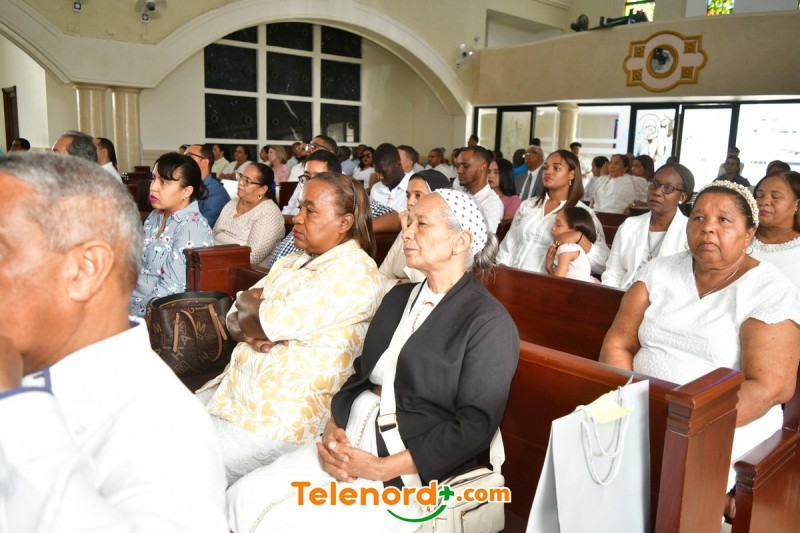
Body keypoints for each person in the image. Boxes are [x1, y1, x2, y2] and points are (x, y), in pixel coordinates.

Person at [226, 189, 519, 532]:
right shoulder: (398, 298)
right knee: (243, 496)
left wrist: (381, 468)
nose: (406, 233)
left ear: (460, 241)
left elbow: (474, 427)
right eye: (408, 222)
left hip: (410, 471)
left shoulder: (487, 322)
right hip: (353, 440)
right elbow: (360, 375)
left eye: (421, 224)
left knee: (286, 523)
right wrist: (333, 430)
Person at [0, 152, 227, 532]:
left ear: (85, 269)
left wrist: (14, 405)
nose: (155, 187)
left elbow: (170, 287)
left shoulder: (164, 428)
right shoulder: (154, 218)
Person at [599, 180, 800, 496]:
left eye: (724, 220)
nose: (708, 228)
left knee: (671, 482)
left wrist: (684, 424)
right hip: (638, 405)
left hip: (725, 420)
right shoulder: (658, 272)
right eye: (699, 218)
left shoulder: (769, 290)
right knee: (593, 451)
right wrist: (627, 404)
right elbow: (618, 344)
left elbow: (770, 386)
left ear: (749, 233)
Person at [196, 172, 383, 485]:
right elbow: (232, 317)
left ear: (344, 222)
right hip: (235, 393)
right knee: (154, 430)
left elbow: (267, 321)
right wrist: (251, 317)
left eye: (311, 210)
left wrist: (253, 311)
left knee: (182, 464)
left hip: (279, 417)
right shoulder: (293, 261)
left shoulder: (355, 271)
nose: (297, 217)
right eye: (300, 207)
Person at [267, 150, 397, 268]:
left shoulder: (349, 206)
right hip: (277, 269)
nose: (310, 182)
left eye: (319, 177)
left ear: (336, 179)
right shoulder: (305, 202)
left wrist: (353, 229)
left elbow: (395, 218)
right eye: (307, 176)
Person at [497, 150, 609, 274]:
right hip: (510, 276)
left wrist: (579, 238)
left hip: (547, 282)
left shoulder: (582, 213)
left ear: (571, 175)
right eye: (545, 167)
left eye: (556, 168)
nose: (548, 171)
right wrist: (502, 268)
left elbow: (603, 265)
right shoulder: (528, 205)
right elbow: (509, 243)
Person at [128, 152, 213, 317]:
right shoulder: (156, 215)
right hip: (128, 298)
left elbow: (170, 292)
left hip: (154, 314)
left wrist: (128, 316)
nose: (153, 187)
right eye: (154, 178)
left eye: (163, 182)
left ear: (186, 191)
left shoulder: (192, 228)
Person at [601, 163, 693, 290]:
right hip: (622, 295)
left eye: (667, 188)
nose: (657, 192)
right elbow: (613, 273)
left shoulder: (691, 232)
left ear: (682, 197)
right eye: (654, 184)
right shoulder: (629, 225)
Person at [378, 169, 451, 290]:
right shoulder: (405, 230)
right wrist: (400, 284)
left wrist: (394, 285)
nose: (410, 202)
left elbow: (425, 286)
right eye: (408, 195)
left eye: (418, 195)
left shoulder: (442, 236)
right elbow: (381, 277)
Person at [213, 162, 285, 264]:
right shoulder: (233, 203)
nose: (240, 182)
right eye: (240, 176)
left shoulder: (269, 212)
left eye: (247, 180)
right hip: (212, 259)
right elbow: (214, 234)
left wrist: (214, 261)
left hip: (241, 268)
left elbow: (252, 257)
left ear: (262, 189)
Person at [752, 170, 800, 286]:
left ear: (797, 205)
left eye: (776, 196)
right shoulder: (740, 237)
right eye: (759, 196)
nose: (763, 202)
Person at [455, 145, 503, 233]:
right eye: (458, 166)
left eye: (465, 166)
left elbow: (485, 238)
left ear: (483, 167)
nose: (459, 170)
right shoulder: (458, 194)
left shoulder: (492, 204)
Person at [547, 206, 599, 283]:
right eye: (554, 223)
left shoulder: (567, 248)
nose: (553, 227)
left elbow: (557, 282)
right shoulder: (572, 247)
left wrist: (549, 268)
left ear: (573, 230)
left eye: (558, 224)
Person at [186, 143, 230, 228]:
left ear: (204, 162)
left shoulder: (216, 193)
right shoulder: (188, 186)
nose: (183, 161)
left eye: (189, 157)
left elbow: (201, 229)